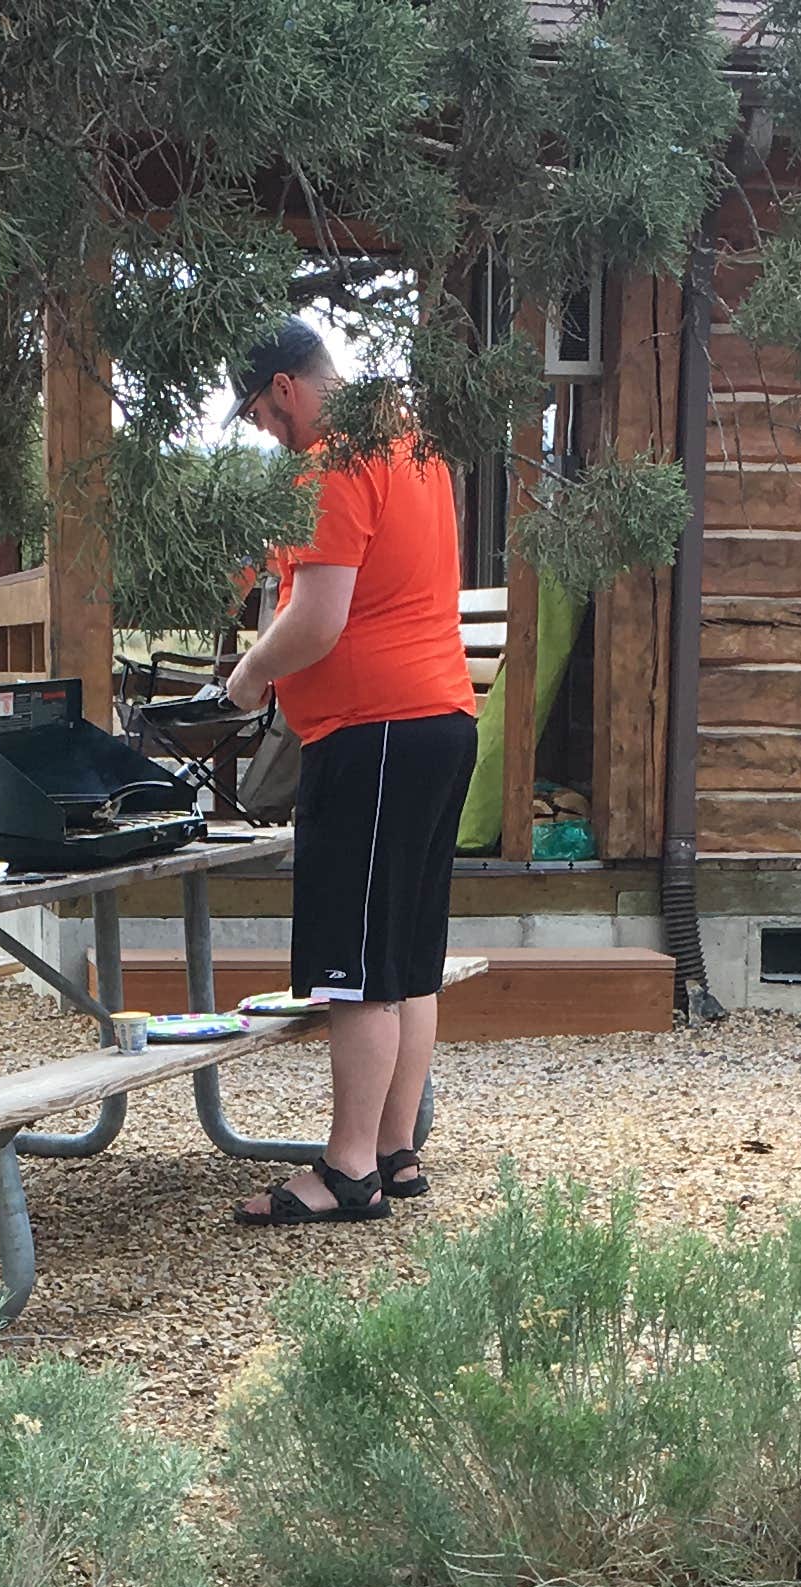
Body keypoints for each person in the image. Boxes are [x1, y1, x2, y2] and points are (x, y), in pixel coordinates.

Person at [218, 319, 478, 1226]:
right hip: (443, 722)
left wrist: (249, 679)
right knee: (409, 959)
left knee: (356, 968)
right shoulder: (412, 442)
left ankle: (348, 1171)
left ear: (287, 387)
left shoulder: (329, 463)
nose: (263, 430)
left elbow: (319, 619)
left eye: (258, 412)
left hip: (374, 736)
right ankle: (398, 1152)